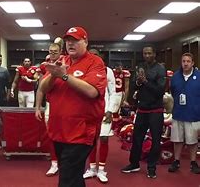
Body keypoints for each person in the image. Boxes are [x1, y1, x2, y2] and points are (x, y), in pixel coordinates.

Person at [39, 27, 107, 187]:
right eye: (68, 41)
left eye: (75, 40)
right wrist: (54, 75)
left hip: (81, 132)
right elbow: (43, 88)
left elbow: (91, 91)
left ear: (86, 42)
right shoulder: (61, 61)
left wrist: (63, 76)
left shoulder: (95, 62)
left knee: (67, 177)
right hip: (60, 130)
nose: (70, 44)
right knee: (72, 174)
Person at [121, 45, 166, 179]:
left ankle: (151, 167)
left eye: (149, 53)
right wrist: (139, 82)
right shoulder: (140, 67)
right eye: (145, 53)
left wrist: (145, 81)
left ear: (154, 54)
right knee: (137, 138)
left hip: (156, 110)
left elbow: (160, 90)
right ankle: (134, 163)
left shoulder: (160, 69)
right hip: (142, 109)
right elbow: (134, 86)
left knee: (156, 140)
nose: (147, 55)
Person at [83, 49, 118, 183]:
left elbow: (113, 91)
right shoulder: (85, 69)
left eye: (96, 55)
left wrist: (111, 111)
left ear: (101, 57)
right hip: (89, 111)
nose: (94, 57)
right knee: (91, 140)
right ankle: (92, 169)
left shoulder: (107, 70)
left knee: (103, 139)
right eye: (91, 54)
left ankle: (101, 170)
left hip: (105, 110)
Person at [168, 53, 200, 174]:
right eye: (183, 61)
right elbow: (172, 92)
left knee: (192, 141)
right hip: (178, 113)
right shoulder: (175, 77)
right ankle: (176, 161)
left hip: (194, 114)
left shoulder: (199, 76)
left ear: (192, 63)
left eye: (188, 61)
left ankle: (193, 162)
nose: (185, 63)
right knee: (177, 140)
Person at [35, 43, 62, 176]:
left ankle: (65, 161)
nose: (53, 54)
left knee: (66, 135)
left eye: (55, 52)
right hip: (50, 104)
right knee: (51, 135)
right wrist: (37, 107)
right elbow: (40, 89)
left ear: (60, 51)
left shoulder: (65, 63)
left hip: (64, 105)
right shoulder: (44, 66)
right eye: (51, 51)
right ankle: (54, 163)